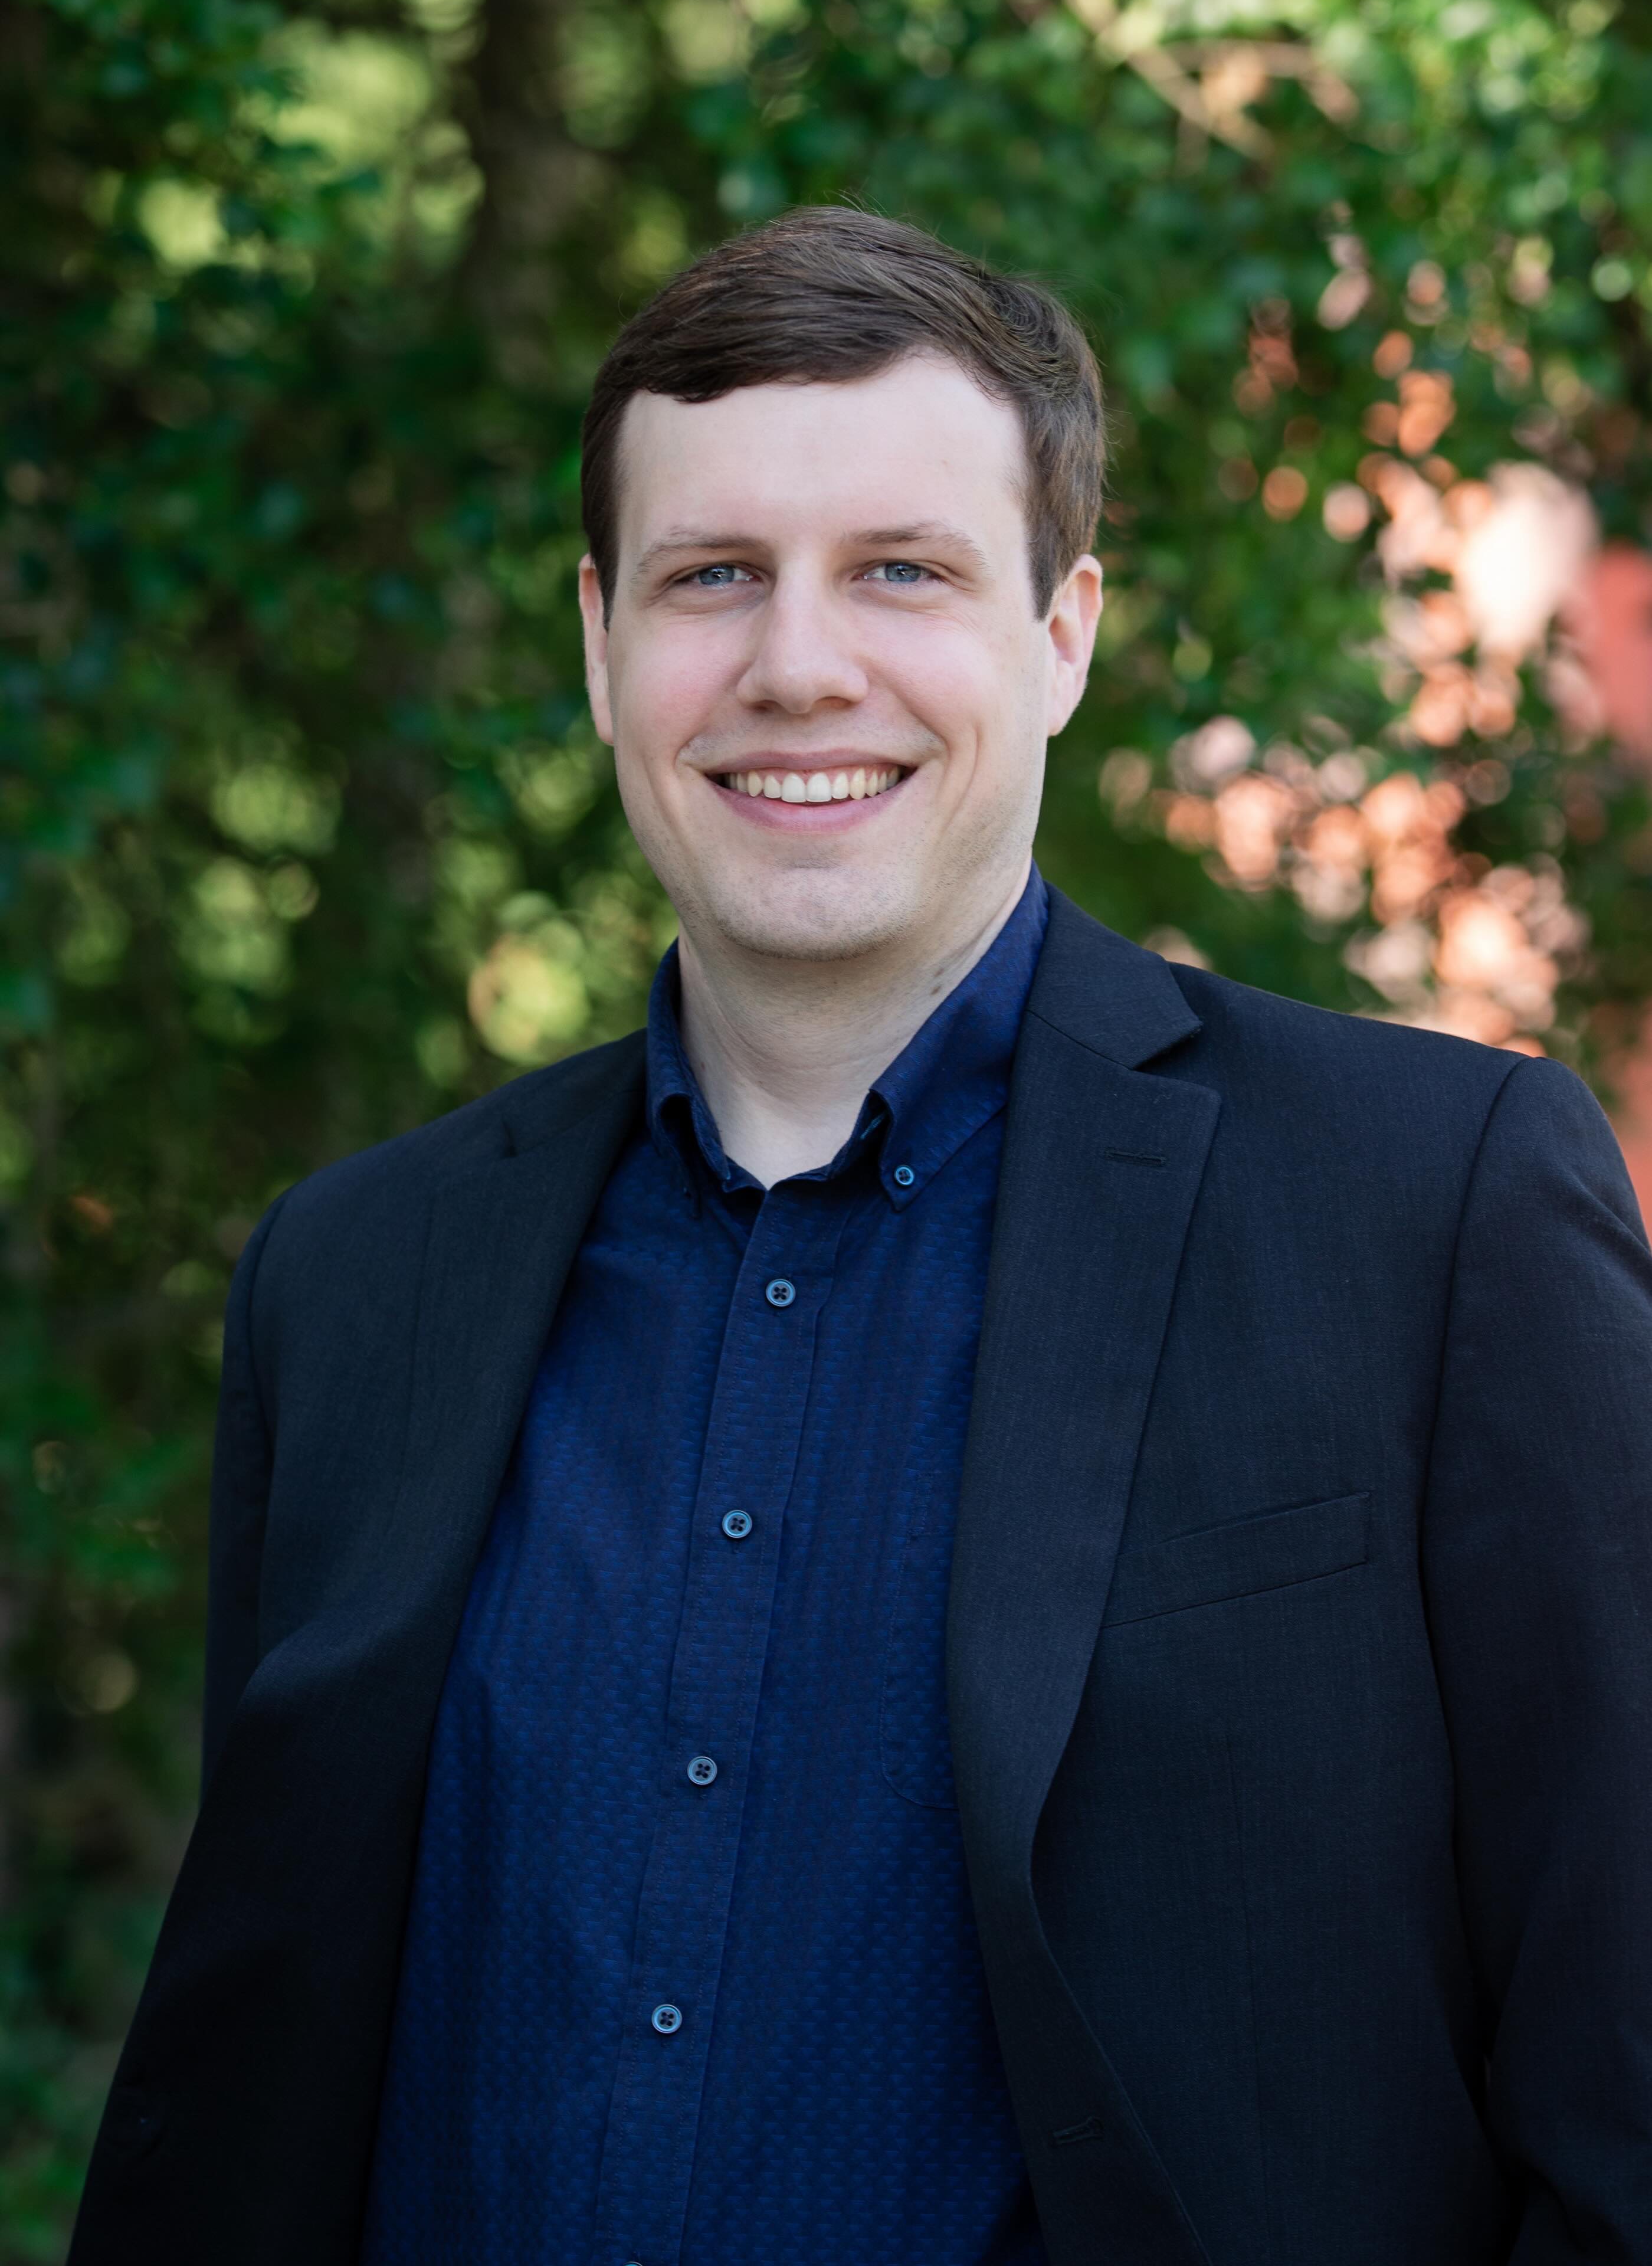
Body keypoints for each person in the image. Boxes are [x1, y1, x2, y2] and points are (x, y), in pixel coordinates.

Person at [70, 208, 1652, 2266]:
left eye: (902, 571)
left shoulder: (1432, 1207)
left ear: (1064, 630)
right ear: (598, 642)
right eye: (711, 576)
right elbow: (258, 2099)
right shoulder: (353, 1285)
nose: (798, 663)